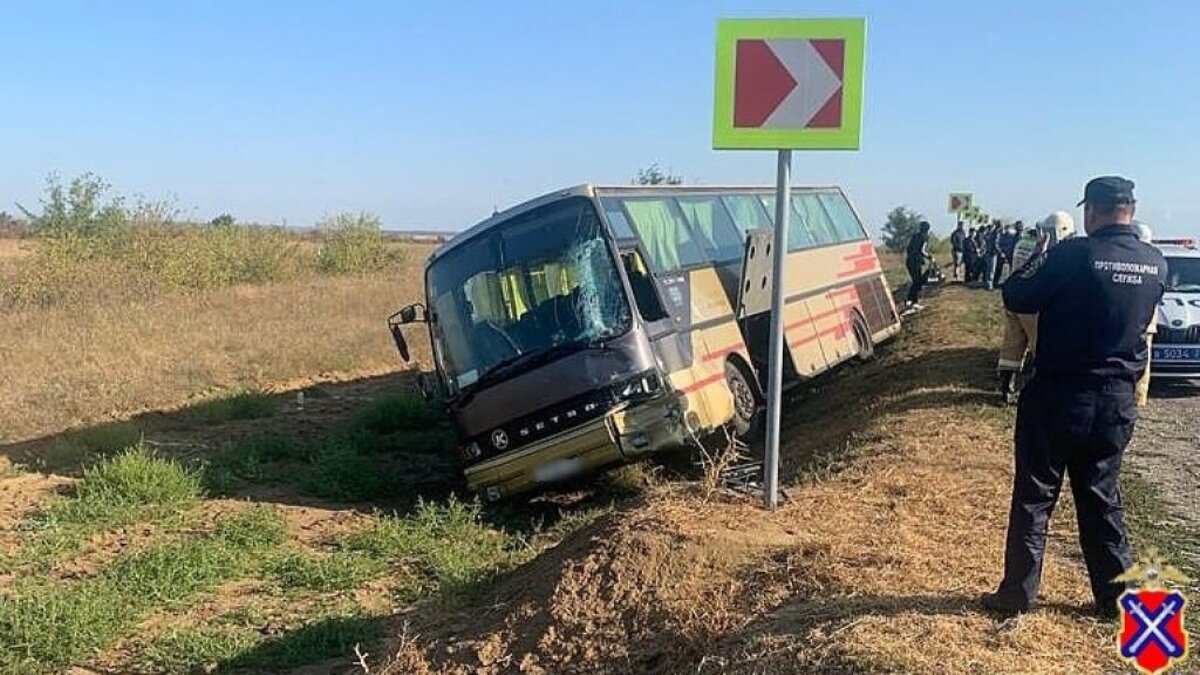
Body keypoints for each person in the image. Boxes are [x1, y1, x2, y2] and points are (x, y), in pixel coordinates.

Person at [983, 176, 1166, 619]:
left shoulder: (1073, 254)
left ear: (1092, 212)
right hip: (1116, 402)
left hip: (1060, 395)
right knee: (1102, 497)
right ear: (1133, 211)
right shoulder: (1155, 262)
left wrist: (1036, 258)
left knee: (1035, 496)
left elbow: (1016, 293)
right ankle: (1118, 601)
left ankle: (1017, 596)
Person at [995, 213, 1075, 403]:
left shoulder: (1023, 243)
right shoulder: (1050, 251)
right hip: (1032, 305)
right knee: (1041, 348)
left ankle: (1006, 388)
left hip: (1015, 298)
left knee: (1012, 345)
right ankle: (1042, 393)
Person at [1134, 221, 1158, 407]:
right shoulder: (1154, 258)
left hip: (1138, 318)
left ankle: (1137, 397)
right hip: (1147, 319)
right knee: (1143, 359)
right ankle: (1139, 397)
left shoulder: (1135, 257)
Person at [904, 220, 933, 310]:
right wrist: (930, 257)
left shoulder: (914, 236)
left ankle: (910, 300)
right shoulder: (925, 237)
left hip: (909, 261)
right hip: (916, 262)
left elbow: (909, 248)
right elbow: (922, 250)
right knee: (918, 282)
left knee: (916, 281)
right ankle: (913, 301)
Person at [983, 223, 1001, 291]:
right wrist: (1000, 252)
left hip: (987, 253)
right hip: (992, 254)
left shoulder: (987, 235)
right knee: (991, 270)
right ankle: (989, 286)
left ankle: (987, 284)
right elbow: (996, 244)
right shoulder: (995, 234)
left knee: (988, 270)